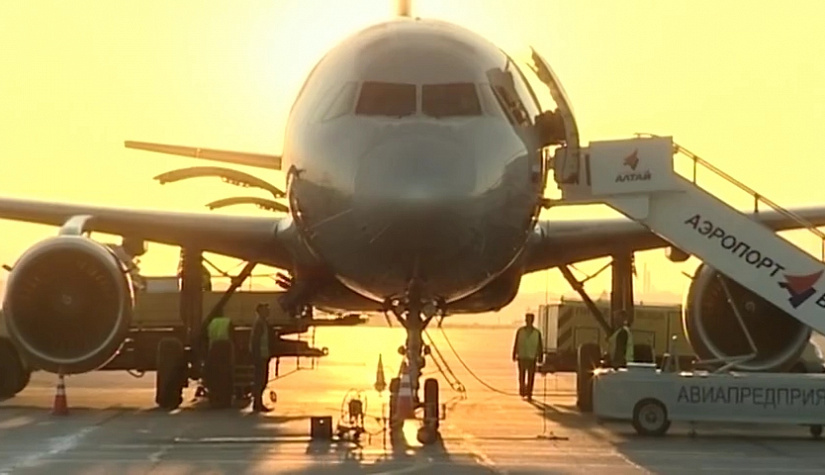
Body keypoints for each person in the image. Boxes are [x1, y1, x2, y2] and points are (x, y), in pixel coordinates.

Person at [512, 312, 543, 401]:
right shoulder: (520, 331)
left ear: (533, 321)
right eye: (527, 320)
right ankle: (522, 390)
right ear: (525, 320)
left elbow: (540, 345)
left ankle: (529, 393)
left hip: (532, 357)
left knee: (531, 377)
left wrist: (540, 356)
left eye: (530, 320)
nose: (529, 321)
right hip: (522, 356)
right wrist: (514, 353)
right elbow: (516, 343)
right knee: (521, 376)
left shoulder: (537, 333)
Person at [249, 303, 273, 412]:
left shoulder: (263, 323)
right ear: (260, 312)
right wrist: (257, 356)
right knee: (260, 380)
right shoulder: (259, 324)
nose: (268, 311)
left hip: (264, 355)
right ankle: (257, 403)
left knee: (262, 380)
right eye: (265, 310)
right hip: (260, 357)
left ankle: (258, 403)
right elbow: (255, 341)